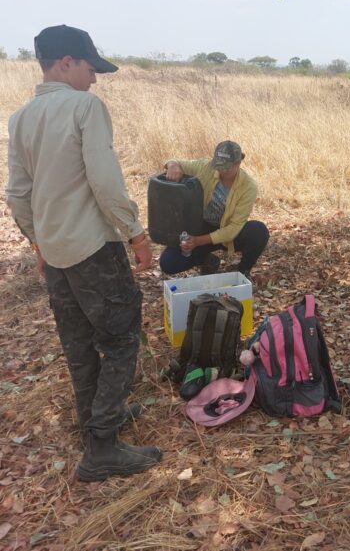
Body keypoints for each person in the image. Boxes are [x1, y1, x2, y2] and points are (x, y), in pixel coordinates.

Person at [5, 25, 162, 481]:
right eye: (91, 68)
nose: (95, 79)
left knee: (78, 345)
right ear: (66, 62)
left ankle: (94, 421)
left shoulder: (20, 118)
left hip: (54, 253)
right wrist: (135, 232)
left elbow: (17, 193)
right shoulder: (85, 107)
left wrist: (38, 242)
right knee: (120, 338)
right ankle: (102, 448)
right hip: (93, 248)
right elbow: (105, 180)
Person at [159, 141, 269, 279]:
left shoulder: (248, 187)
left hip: (228, 234)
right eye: (219, 165)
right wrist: (173, 166)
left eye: (226, 167)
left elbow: (234, 227)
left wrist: (198, 241)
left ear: (238, 162)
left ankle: (242, 272)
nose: (222, 170)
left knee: (258, 231)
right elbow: (175, 161)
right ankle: (206, 260)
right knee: (168, 263)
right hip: (200, 227)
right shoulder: (206, 166)